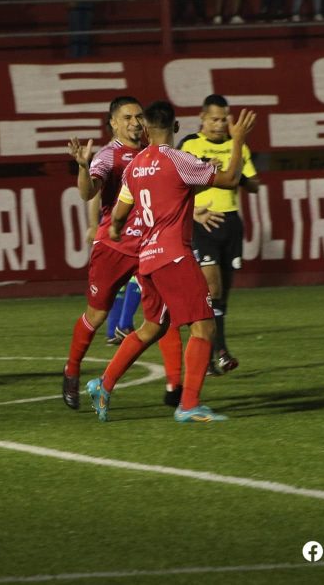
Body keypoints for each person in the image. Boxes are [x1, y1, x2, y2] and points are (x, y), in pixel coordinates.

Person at [86, 102, 256, 423]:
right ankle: (189, 404)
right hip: (174, 256)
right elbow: (232, 178)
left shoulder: (134, 167)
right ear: (176, 128)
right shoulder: (180, 160)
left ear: (145, 129)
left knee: (152, 327)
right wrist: (238, 140)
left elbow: (118, 216)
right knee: (204, 327)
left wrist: (118, 230)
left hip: (147, 261)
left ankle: (103, 385)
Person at [62, 97, 146, 409]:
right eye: (127, 117)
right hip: (114, 246)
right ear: (113, 123)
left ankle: (177, 390)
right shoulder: (108, 156)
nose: (135, 123)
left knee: (161, 318)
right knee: (96, 315)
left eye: (139, 117)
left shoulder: (151, 152)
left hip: (149, 246)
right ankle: (72, 370)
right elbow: (88, 192)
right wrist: (83, 167)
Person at [177, 94, 260, 374]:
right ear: (202, 118)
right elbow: (177, 182)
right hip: (202, 224)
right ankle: (220, 350)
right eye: (214, 119)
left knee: (222, 295)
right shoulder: (190, 144)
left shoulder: (237, 145)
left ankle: (211, 357)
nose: (220, 124)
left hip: (230, 224)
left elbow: (254, 184)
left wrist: (234, 173)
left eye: (224, 119)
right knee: (211, 290)